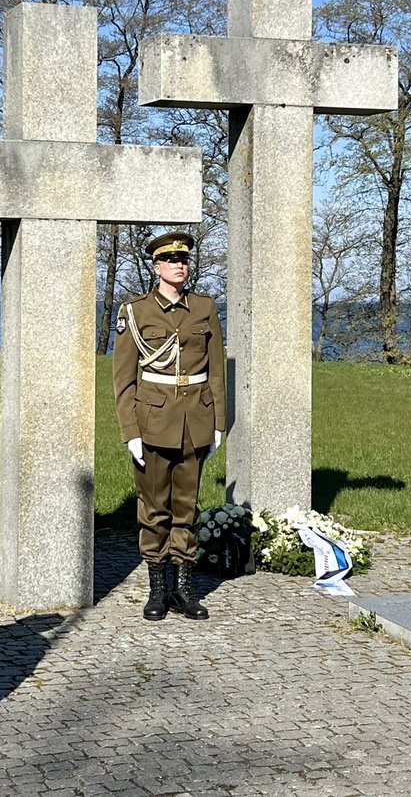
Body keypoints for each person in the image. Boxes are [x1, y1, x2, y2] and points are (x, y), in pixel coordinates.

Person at [112, 231, 226, 622]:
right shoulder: (135, 312)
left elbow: (215, 372)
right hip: (153, 421)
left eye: (184, 260)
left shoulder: (205, 308)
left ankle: (183, 590)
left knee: (187, 509)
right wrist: (131, 432)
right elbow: (124, 380)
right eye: (171, 260)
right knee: (154, 509)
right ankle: (157, 589)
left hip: (196, 419)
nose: (180, 265)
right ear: (157, 267)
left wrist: (218, 424)